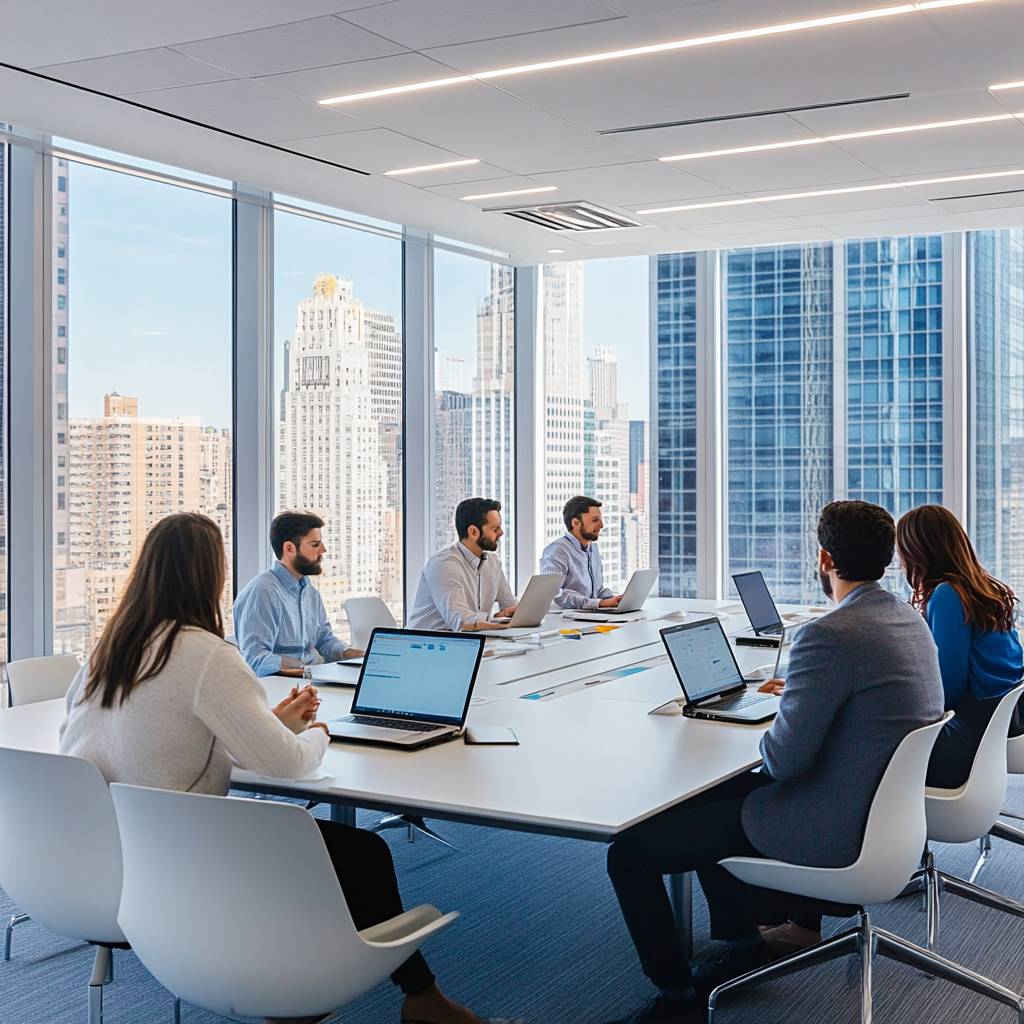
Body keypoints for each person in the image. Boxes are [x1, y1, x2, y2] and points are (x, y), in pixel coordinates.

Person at [59, 513, 507, 1024]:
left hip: (111, 852)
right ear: (209, 576)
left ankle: (354, 991)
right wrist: (323, 730)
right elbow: (288, 766)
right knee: (362, 853)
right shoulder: (207, 654)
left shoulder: (107, 648)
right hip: (186, 856)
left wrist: (268, 725)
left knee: (322, 850)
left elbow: (154, 737)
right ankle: (399, 998)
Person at [604, 501, 944, 1024]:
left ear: (824, 558)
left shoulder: (827, 635)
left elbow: (783, 763)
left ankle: (676, 999)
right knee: (709, 801)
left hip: (837, 828)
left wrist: (779, 712)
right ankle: (742, 939)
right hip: (890, 820)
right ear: (888, 559)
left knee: (629, 853)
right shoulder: (908, 618)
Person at [897, 503, 1024, 790]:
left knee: (882, 741)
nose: (901, 561)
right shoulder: (984, 587)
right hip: (1005, 720)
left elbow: (948, 691)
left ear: (919, 551)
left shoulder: (947, 594)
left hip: (971, 733)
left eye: (902, 551)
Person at [233, 511, 362, 678]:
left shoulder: (309, 591)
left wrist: (356, 655)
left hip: (311, 681)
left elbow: (324, 640)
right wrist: (304, 667)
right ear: (289, 548)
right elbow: (255, 660)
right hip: (286, 687)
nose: (323, 550)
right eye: (315, 545)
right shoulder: (262, 593)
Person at [408, 497, 518, 632]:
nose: (501, 533)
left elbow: (509, 605)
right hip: (428, 645)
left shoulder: (493, 563)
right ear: (473, 532)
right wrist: (501, 624)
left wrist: (514, 613)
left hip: (468, 641)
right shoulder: (443, 565)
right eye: (495, 529)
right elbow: (462, 622)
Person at [540, 496, 623, 610]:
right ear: (575, 523)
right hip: (566, 621)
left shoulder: (593, 548)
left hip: (590, 616)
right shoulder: (556, 551)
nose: (601, 525)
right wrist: (599, 604)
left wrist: (615, 600)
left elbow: (596, 590)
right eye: (595, 520)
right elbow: (554, 593)